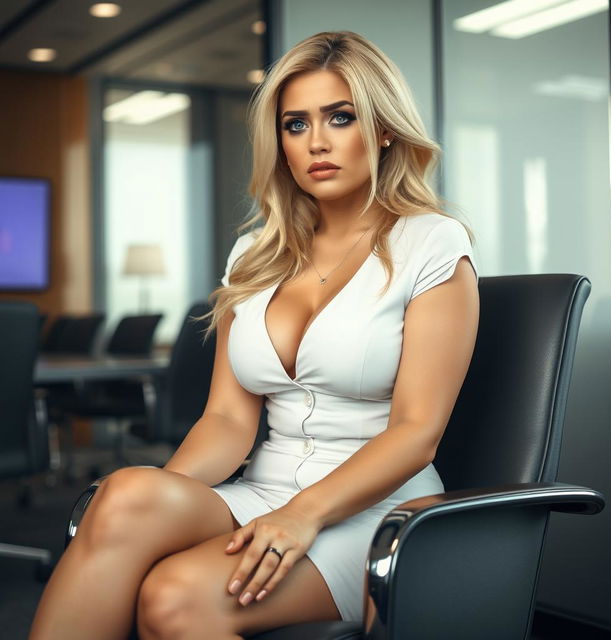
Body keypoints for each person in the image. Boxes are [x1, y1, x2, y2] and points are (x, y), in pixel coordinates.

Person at [29, 30, 479, 640]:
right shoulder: (254, 254)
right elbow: (225, 422)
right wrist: (152, 510)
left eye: (340, 117)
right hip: (260, 492)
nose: (316, 141)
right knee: (127, 491)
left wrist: (302, 515)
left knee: (172, 598)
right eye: (296, 125)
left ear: (383, 128)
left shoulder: (431, 242)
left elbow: (415, 434)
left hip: (375, 510)